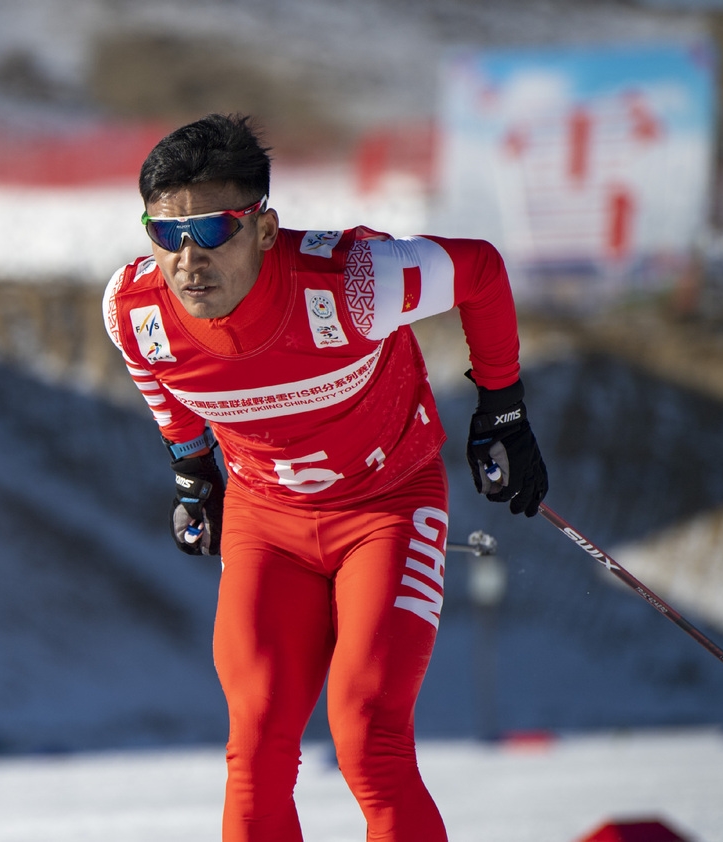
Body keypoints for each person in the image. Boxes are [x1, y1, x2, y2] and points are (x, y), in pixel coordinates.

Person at [102, 113, 547, 842]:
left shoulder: (356, 284)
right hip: (265, 521)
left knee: (367, 735)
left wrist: (501, 411)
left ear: (264, 228)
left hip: (386, 507)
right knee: (255, 749)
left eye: (211, 230)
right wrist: (192, 471)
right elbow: (160, 384)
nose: (187, 258)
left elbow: (480, 272)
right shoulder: (132, 309)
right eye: (165, 232)